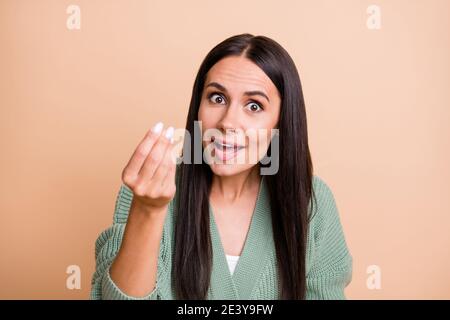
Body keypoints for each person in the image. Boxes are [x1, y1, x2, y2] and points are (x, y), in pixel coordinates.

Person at [90, 33, 352, 300]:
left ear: (281, 122)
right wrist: (148, 210)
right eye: (217, 98)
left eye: (254, 105)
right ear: (197, 107)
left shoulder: (312, 202)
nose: (228, 122)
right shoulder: (150, 193)